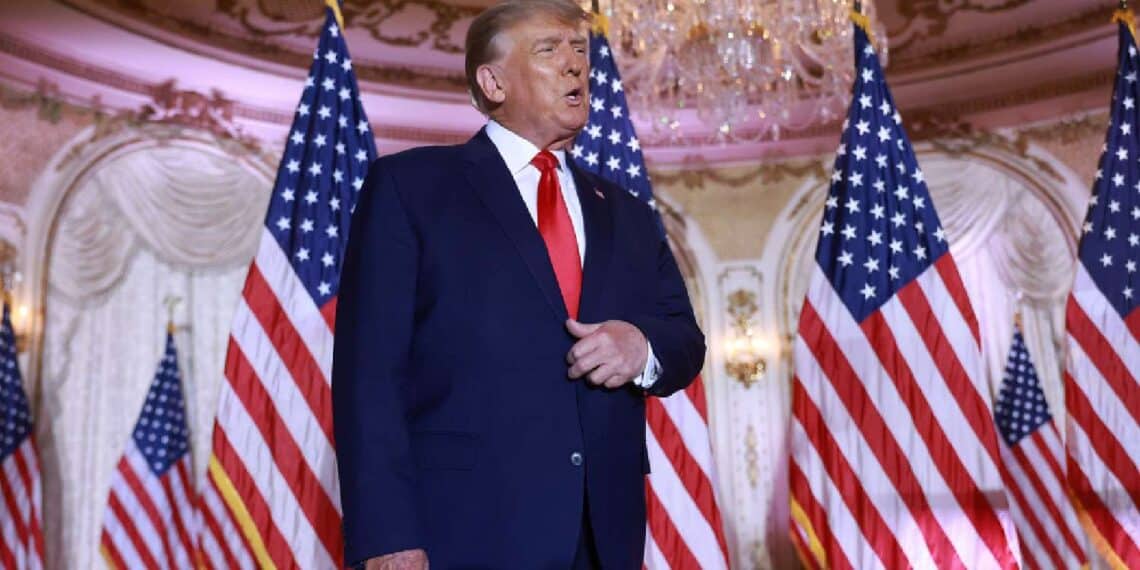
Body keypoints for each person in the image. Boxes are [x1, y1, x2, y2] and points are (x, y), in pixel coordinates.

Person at [331, 0, 706, 567]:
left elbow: (684, 339)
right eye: (549, 50)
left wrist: (641, 346)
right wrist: (387, 537)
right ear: (493, 82)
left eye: (579, 50)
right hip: (466, 531)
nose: (575, 64)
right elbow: (369, 376)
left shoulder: (625, 211)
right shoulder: (412, 187)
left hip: (603, 536)